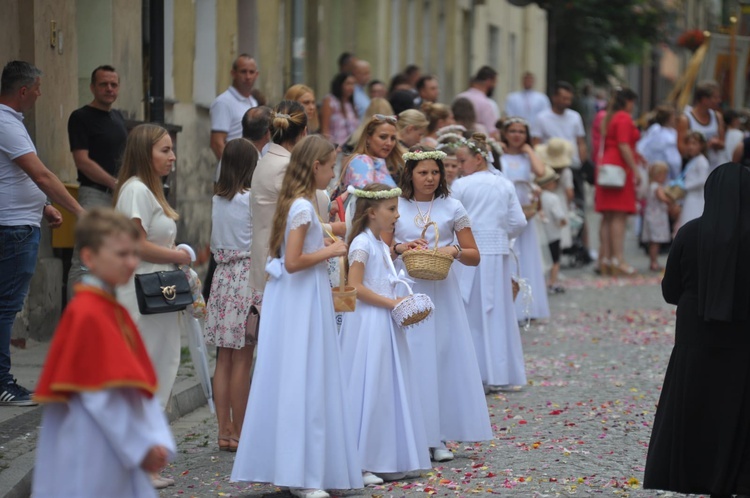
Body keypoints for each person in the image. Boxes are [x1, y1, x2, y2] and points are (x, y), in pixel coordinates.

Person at [231, 136, 363, 498]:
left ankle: (310, 468)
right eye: (330, 165)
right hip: (301, 296)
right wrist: (331, 250)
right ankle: (302, 473)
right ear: (315, 166)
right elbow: (292, 262)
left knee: (310, 376)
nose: (333, 172)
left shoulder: (302, 204)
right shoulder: (303, 207)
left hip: (305, 296)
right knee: (303, 376)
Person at [32, 208, 176, 497]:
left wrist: (153, 439)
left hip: (111, 444)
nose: (132, 262)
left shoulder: (108, 307)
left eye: (134, 253)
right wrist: (141, 445)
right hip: (96, 444)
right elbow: (101, 396)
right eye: (122, 254)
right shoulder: (89, 313)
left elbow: (131, 387)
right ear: (89, 258)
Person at [644, 162, 750, 497]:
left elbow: (670, 291)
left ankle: (688, 474)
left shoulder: (689, 233)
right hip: (743, 341)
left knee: (694, 407)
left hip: (695, 338)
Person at [386, 146, 493, 462]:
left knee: (441, 358)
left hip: (442, 293)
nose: (431, 178)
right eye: (423, 173)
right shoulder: (396, 205)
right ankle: (409, 434)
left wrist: (454, 251)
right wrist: (400, 246)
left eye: (435, 172)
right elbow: (381, 247)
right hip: (407, 289)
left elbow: (474, 255)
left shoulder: (452, 205)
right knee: (411, 358)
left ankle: (438, 435)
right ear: (410, 174)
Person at [0, 60, 84, 407]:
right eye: (37, 88)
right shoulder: (6, 123)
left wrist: (44, 206)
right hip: (14, 229)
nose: (39, 94)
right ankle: (2, 382)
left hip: (20, 221)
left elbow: (14, 177)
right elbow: (41, 175)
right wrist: (81, 213)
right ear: (23, 91)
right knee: (6, 308)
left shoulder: (10, 122)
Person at [114, 124, 192, 486]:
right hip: (142, 293)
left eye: (171, 149)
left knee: (161, 370)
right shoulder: (135, 190)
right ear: (146, 153)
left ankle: (144, 460)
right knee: (146, 375)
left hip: (159, 292)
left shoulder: (150, 190)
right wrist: (179, 254)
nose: (172, 156)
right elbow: (136, 245)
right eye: (165, 150)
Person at [338, 183, 431, 483]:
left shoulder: (378, 243)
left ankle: (386, 456)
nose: (397, 215)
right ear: (370, 212)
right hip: (368, 323)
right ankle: (360, 459)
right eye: (391, 209)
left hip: (384, 321)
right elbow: (356, 287)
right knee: (369, 385)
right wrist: (393, 302)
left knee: (386, 387)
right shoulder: (362, 244)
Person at [452, 134, 528, 392]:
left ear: (478, 158)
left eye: (463, 160)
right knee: (497, 312)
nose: (460, 166)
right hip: (496, 253)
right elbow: (519, 222)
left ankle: (475, 373)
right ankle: (500, 372)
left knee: (471, 311)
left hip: (469, 252)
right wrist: (501, 234)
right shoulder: (504, 184)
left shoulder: (461, 186)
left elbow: (453, 218)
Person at [204, 139, 260, 453]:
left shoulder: (218, 199)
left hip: (222, 276)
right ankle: (240, 431)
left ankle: (224, 430)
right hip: (246, 276)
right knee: (243, 359)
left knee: (224, 359)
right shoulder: (251, 199)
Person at [66, 65, 128, 298]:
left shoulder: (118, 117)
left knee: (112, 254)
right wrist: (114, 182)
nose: (109, 89)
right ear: (92, 87)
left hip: (117, 196)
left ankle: (102, 313)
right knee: (85, 256)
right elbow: (82, 161)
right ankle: (77, 317)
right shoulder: (81, 117)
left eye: (113, 84)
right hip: (94, 195)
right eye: (103, 84)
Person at [248, 101, 308, 299]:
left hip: (269, 255)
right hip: (278, 260)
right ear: (304, 132)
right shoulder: (286, 166)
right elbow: (299, 216)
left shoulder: (268, 159)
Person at [499, 117, 549, 320]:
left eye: (521, 131)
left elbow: (541, 172)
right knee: (510, 253)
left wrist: (529, 150)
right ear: (505, 133)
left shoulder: (529, 155)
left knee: (526, 255)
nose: (517, 135)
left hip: (526, 211)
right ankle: (509, 303)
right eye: (512, 131)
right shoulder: (499, 154)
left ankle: (528, 306)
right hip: (505, 210)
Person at [594, 88, 640, 277]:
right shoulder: (623, 118)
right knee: (619, 217)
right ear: (629, 101)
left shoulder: (607, 117)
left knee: (607, 216)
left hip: (606, 167)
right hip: (620, 168)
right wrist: (636, 170)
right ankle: (618, 259)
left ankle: (604, 258)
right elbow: (623, 144)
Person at [210, 54, 260, 163]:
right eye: (243, 71)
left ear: (257, 75)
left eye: (251, 72)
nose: (248, 76)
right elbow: (217, 143)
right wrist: (234, 170)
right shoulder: (223, 102)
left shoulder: (253, 102)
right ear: (233, 73)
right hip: (233, 175)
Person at [340, 114, 401, 190]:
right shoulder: (361, 160)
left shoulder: (384, 164)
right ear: (368, 139)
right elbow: (363, 199)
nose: (389, 143)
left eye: (393, 138)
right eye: (383, 137)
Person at [677, 80, 725, 170]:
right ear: (704, 99)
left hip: (714, 167)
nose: (719, 101)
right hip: (694, 169)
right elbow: (681, 148)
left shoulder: (717, 117)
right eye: (715, 98)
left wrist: (717, 143)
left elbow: (722, 143)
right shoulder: (686, 119)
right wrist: (703, 146)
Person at [536, 167, 567, 293]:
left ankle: (542, 282)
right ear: (549, 183)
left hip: (541, 234)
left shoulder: (537, 197)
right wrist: (563, 222)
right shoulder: (553, 198)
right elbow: (559, 216)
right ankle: (552, 283)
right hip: (554, 233)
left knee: (544, 257)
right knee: (555, 260)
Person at [674, 131, 710, 234]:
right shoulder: (693, 160)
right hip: (689, 198)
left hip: (696, 199)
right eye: (688, 143)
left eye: (694, 144)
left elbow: (703, 180)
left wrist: (685, 186)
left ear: (701, 146)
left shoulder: (701, 161)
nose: (690, 147)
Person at [640, 162, 672, 272]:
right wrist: (670, 200)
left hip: (651, 216)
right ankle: (654, 262)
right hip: (656, 217)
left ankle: (653, 261)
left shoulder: (650, 186)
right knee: (655, 241)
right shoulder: (657, 187)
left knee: (653, 241)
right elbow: (662, 198)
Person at [636, 105, 682, 181]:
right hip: (663, 176)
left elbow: (640, 148)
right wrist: (677, 177)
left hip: (648, 171)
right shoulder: (670, 137)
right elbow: (674, 162)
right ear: (669, 119)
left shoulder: (654, 130)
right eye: (674, 116)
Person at [455, 66, 498, 135]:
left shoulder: (459, 97)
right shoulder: (486, 103)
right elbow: (492, 131)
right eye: (494, 82)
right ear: (489, 81)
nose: (495, 86)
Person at [320, 72, 358, 147]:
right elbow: (325, 129)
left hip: (350, 147)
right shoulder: (330, 101)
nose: (351, 87)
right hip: (335, 146)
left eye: (353, 84)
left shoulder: (351, 104)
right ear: (340, 84)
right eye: (348, 84)